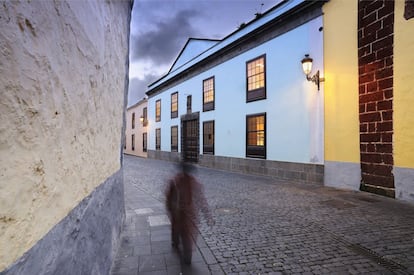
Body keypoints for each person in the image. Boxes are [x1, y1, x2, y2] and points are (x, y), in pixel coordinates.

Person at [165, 161, 214, 265]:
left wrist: (207, 214)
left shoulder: (178, 181)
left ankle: (185, 252)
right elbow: (201, 199)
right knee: (182, 232)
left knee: (185, 234)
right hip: (184, 214)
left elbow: (200, 198)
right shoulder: (178, 181)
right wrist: (207, 215)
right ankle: (179, 246)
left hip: (184, 214)